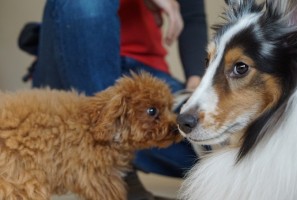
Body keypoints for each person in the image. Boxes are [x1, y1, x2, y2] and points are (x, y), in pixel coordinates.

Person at [22, 0, 207, 199]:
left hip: (146, 74)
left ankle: (121, 162)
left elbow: (192, 16)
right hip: (73, 59)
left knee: (222, 150)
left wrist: (196, 86)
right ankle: (115, 175)